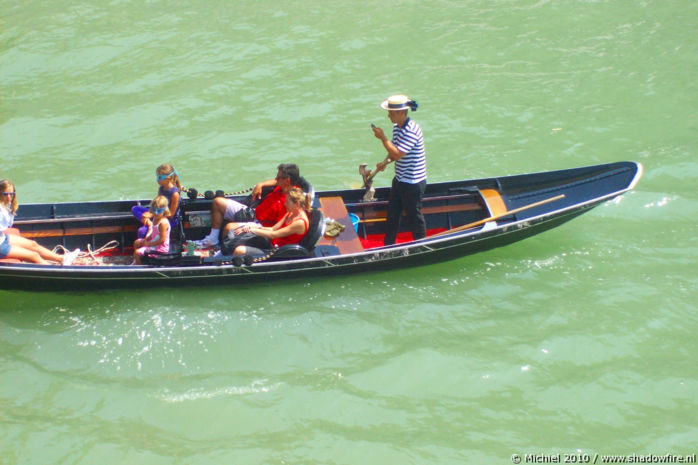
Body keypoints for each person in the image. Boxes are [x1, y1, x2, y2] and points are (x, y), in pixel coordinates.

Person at [196, 163, 302, 248]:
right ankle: (212, 239)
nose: (275, 179)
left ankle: (223, 252)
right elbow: (274, 181)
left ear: (287, 181)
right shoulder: (281, 185)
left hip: (261, 224)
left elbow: (278, 227)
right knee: (218, 202)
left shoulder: (291, 201)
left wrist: (254, 228)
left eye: (278, 178)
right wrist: (261, 184)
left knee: (229, 228)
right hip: (253, 212)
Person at [371, 94, 427, 245]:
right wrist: (385, 162)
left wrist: (383, 137)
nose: (388, 115)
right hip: (400, 179)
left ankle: (422, 245)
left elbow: (398, 153)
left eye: (392, 113)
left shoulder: (412, 131)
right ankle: (388, 245)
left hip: (413, 182)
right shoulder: (397, 128)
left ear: (402, 113)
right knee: (392, 215)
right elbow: (394, 153)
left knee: (414, 217)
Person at [0, 179, 80, 265]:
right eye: (5, 194)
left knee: (33, 244)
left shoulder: (7, 206)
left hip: (2, 237)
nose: (8, 197)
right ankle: (54, 271)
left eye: (11, 194)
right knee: (34, 255)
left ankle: (63, 259)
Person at [231, 187, 311, 259]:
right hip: (270, 243)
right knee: (238, 238)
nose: (284, 204)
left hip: (276, 252)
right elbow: (272, 229)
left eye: (287, 202)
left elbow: (274, 235)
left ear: (297, 203)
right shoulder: (290, 213)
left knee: (239, 250)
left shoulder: (300, 223)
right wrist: (254, 227)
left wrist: (252, 230)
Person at [132, 164, 181, 239]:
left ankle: (146, 247)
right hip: (157, 213)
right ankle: (149, 223)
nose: (157, 179)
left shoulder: (175, 194)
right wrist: (151, 212)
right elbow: (157, 204)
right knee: (135, 208)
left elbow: (171, 214)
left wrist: (152, 215)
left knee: (141, 231)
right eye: (157, 176)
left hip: (168, 219)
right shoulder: (161, 189)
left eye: (160, 177)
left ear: (168, 178)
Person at [133, 195, 171, 265]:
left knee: (137, 252)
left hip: (160, 249)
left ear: (164, 210)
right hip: (153, 242)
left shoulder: (163, 223)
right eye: (154, 210)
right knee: (137, 242)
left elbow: (162, 240)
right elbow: (153, 231)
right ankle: (140, 260)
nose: (156, 213)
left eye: (159, 211)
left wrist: (149, 244)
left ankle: (138, 266)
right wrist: (148, 237)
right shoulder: (155, 218)